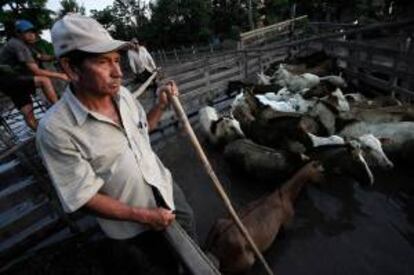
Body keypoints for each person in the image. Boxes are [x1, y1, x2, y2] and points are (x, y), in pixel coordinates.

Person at [36, 14, 196, 274]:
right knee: (161, 267)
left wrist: (160, 105)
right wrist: (144, 216)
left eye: (117, 60)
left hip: (166, 189)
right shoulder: (56, 129)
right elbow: (83, 196)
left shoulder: (121, 95)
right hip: (134, 228)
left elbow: (142, 133)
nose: (118, 72)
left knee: (192, 251)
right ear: (70, 68)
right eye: (102, 62)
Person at [0, 19, 68, 130]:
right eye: (28, 32)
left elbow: (41, 57)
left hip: (12, 82)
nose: (32, 35)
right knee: (44, 80)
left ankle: (41, 135)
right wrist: (61, 75)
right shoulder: (17, 45)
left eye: (33, 32)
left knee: (28, 112)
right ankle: (60, 109)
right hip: (8, 78)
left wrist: (57, 56)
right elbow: (36, 71)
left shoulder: (27, 46)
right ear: (18, 34)